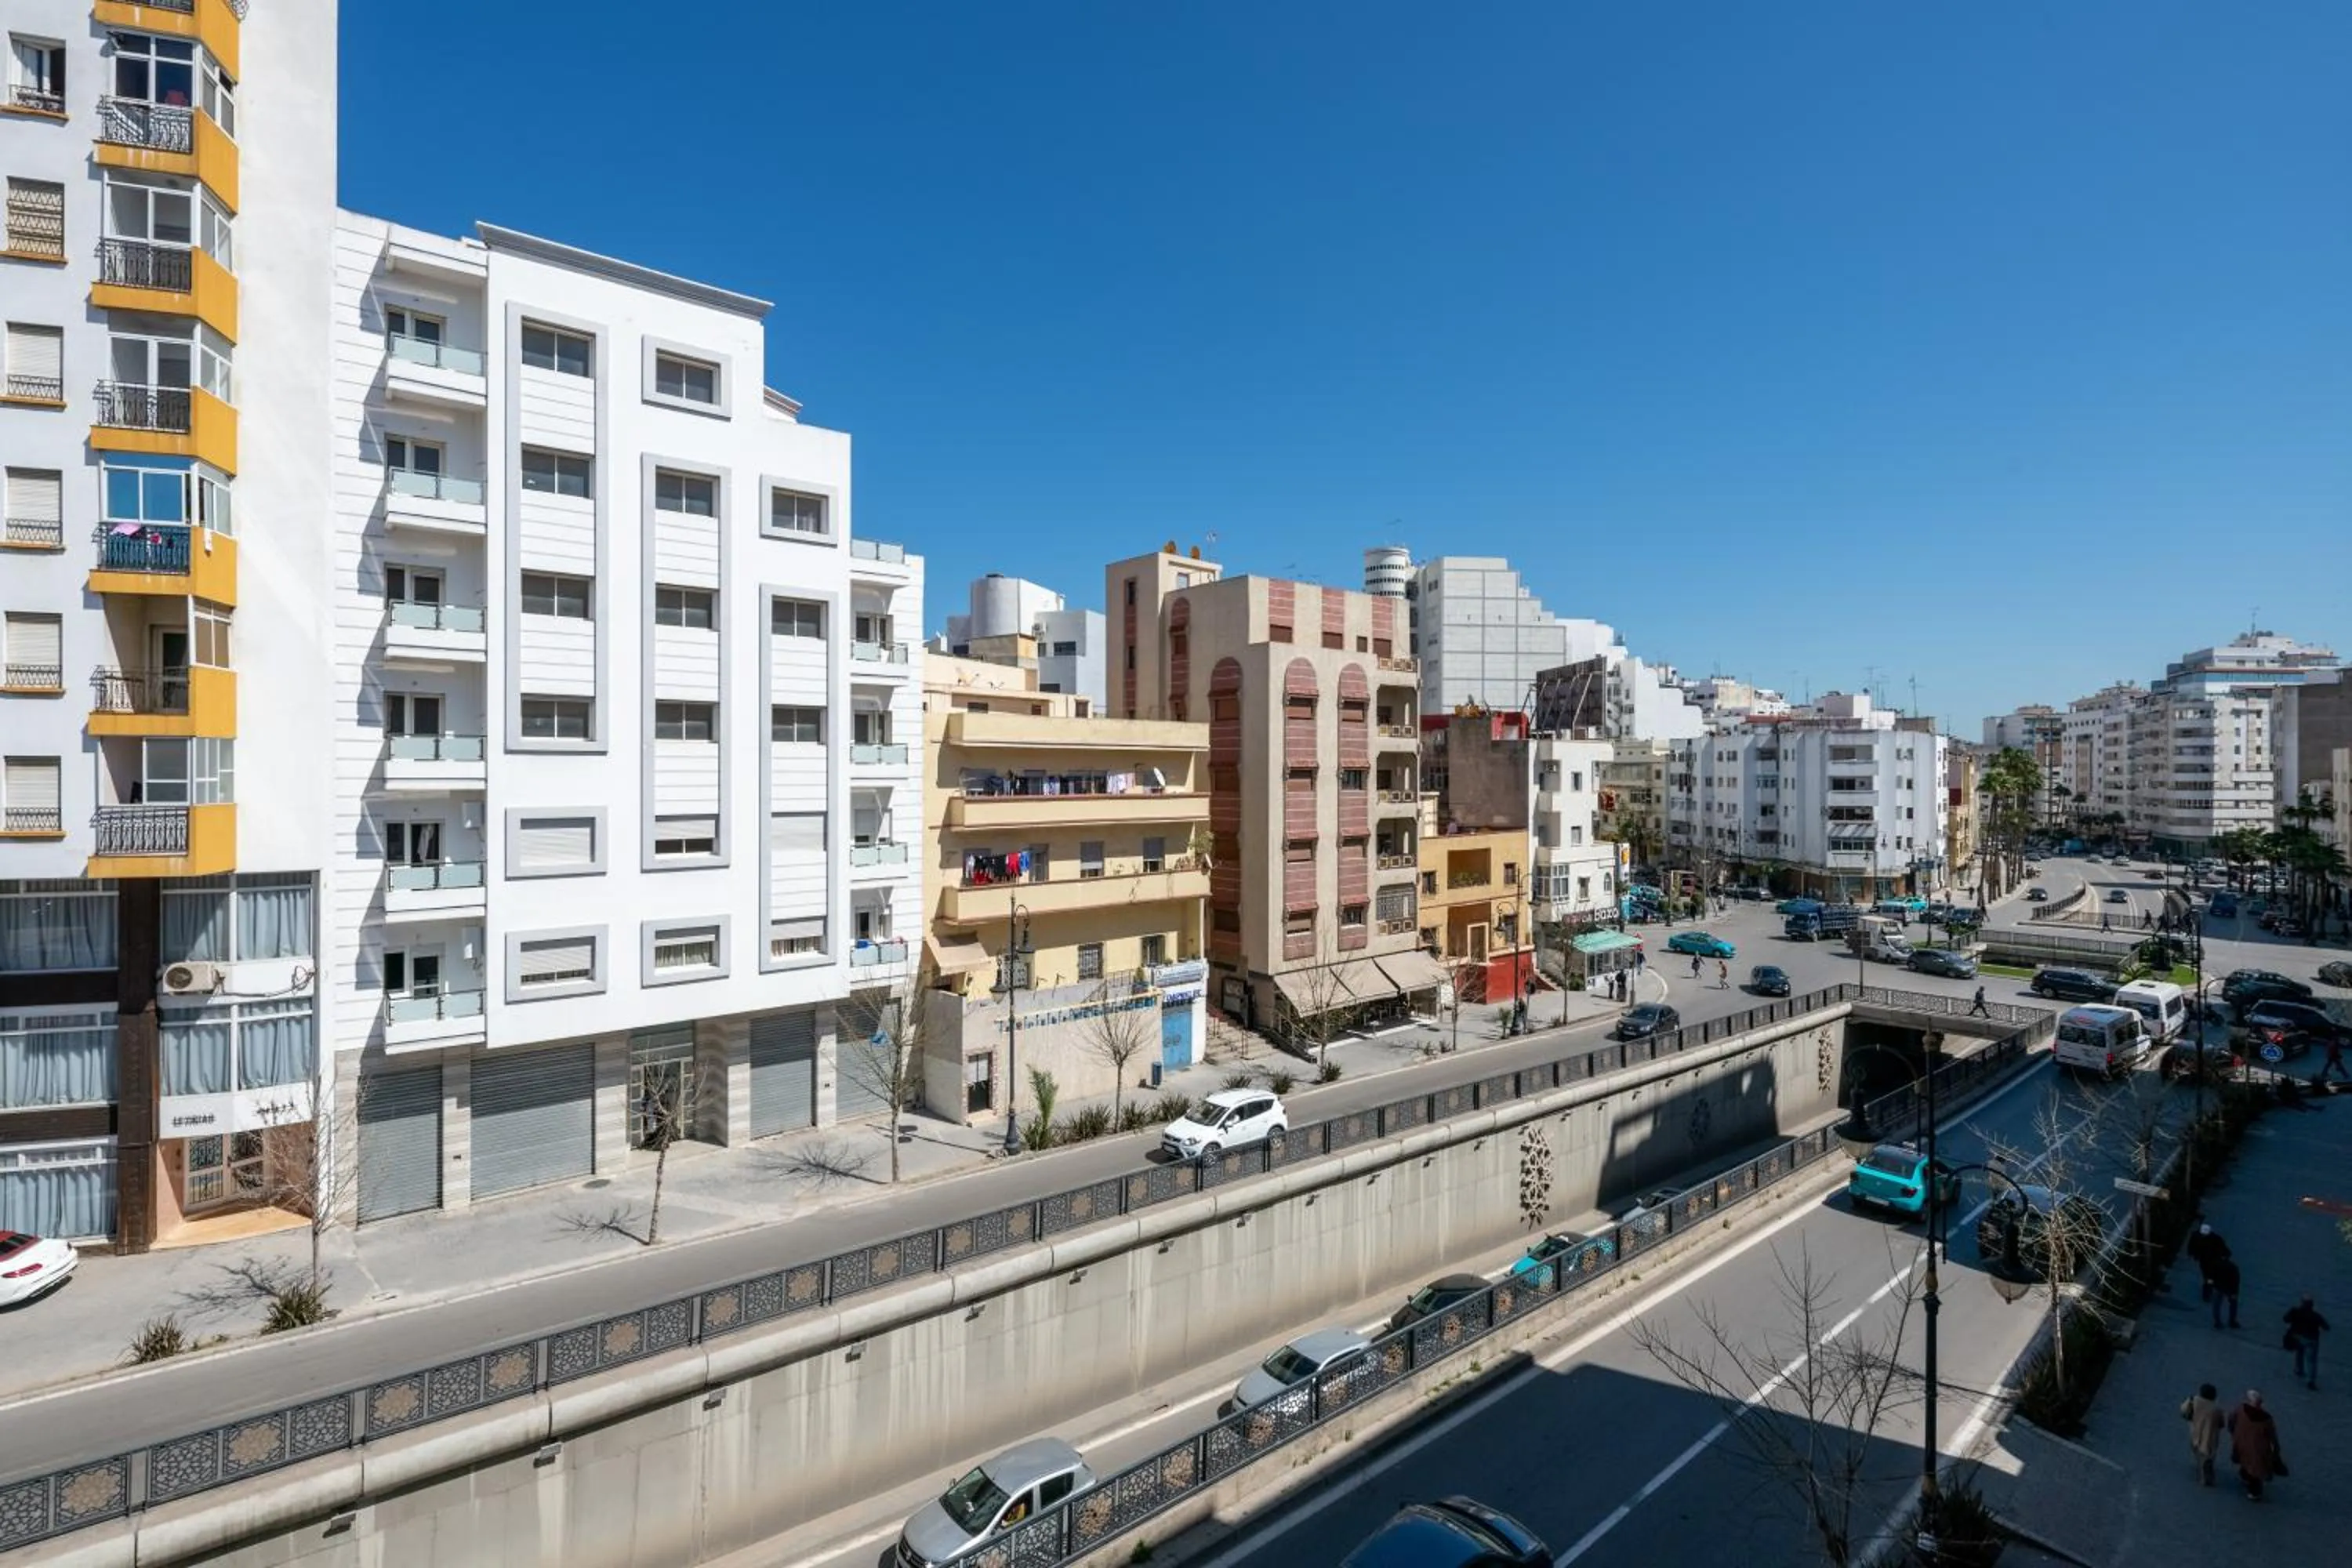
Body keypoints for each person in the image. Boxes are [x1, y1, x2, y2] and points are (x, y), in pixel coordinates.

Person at [2227, 1390, 2284, 1500]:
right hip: (2258, 1448)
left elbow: (2231, 1420)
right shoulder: (2266, 1419)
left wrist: (2234, 1433)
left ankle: (2245, 1476)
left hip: (2242, 1442)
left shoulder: (2241, 1409)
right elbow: (2273, 1437)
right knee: (2256, 1469)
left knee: (2245, 1460)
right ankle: (2254, 1492)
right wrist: (2276, 1451)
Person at [2181, 1382, 2223, 1486]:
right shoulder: (2216, 1409)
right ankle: (2207, 1470)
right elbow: (2221, 1423)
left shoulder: (2193, 1401)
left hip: (2195, 1433)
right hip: (2210, 1436)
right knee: (2208, 1453)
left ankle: (2202, 1467)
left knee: (2197, 1450)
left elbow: (2183, 1411)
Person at [2284, 1294, 2329, 1390]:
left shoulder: (2295, 1311)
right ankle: (2311, 1381)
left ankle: (2299, 1370)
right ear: (2312, 1305)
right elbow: (2326, 1327)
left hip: (2298, 1336)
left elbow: (2286, 1319)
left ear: (2302, 1303)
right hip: (2311, 1339)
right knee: (2311, 1361)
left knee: (2299, 1353)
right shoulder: (2316, 1316)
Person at [2187, 1223, 2232, 1302]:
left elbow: (2223, 1248)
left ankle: (2208, 1289)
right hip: (2207, 1260)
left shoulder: (2210, 1239)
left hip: (2211, 1260)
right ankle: (2209, 1289)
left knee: (2209, 1276)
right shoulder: (2203, 1238)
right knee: (2209, 1276)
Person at [2210, 1254, 2242, 1330]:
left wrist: (2210, 1285)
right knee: (2233, 1304)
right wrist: (2235, 1292)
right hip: (2230, 1288)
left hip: (2218, 1287)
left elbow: (2210, 1277)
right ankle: (2232, 1321)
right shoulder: (2233, 1267)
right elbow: (2236, 1280)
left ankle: (2217, 1322)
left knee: (2217, 1305)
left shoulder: (2216, 1266)